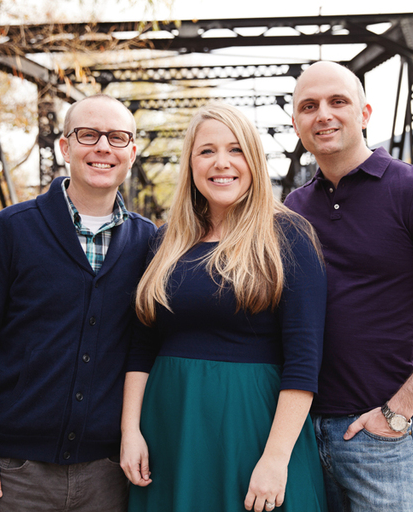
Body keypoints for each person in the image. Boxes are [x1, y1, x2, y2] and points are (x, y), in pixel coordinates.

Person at [284, 61, 413, 511]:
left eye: (338, 102)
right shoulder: (291, 209)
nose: (324, 115)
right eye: (309, 106)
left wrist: (398, 412)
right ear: (295, 121)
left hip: (377, 434)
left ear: (365, 112)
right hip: (296, 431)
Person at [0, 93, 156, 512]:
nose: (103, 147)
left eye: (117, 138)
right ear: (65, 147)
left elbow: (145, 346)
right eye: (88, 134)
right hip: (15, 471)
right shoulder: (11, 229)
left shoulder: (148, 241)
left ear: (132, 153)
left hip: (106, 472)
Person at [120, 103, 328, 512]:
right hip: (170, 425)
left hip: (251, 426)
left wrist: (275, 458)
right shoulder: (165, 242)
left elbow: (304, 360)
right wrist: (130, 430)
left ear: (252, 159)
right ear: (191, 164)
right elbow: (141, 345)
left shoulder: (287, 236)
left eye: (235, 150)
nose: (222, 163)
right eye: (206, 151)